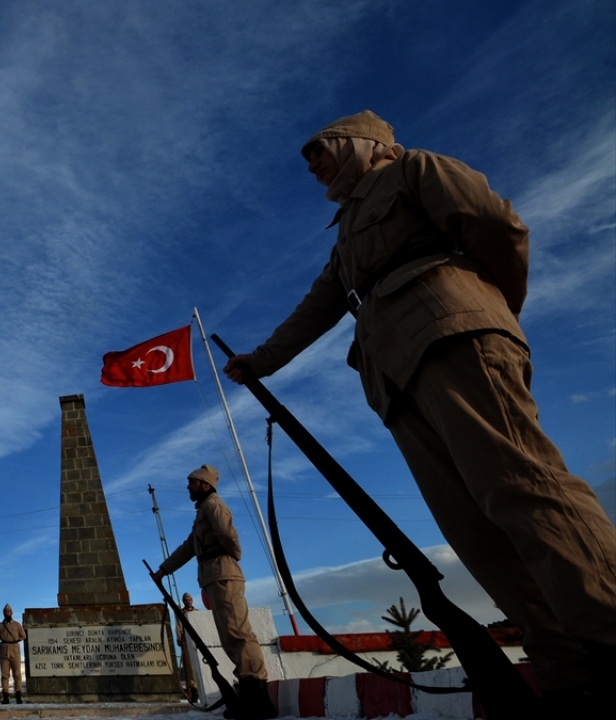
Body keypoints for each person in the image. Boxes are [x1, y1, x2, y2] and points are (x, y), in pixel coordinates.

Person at [222, 110, 616, 707]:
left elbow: (496, 226)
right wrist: (260, 360)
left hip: (452, 337)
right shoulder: (346, 231)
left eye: (320, 151)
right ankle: (569, 674)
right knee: (474, 531)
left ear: (359, 143)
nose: (313, 166)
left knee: (522, 488)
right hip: (394, 375)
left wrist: (479, 308)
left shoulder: (413, 169)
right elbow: (318, 306)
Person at [153, 465, 275, 720]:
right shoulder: (202, 512)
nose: (188, 487)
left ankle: (258, 697)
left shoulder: (213, 505)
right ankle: (247, 691)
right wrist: (164, 570)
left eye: (192, 482)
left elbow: (228, 533)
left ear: (205, 485)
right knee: (229, 635)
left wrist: (233, 555)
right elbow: (189, 547)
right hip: (212, 575)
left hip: (223, 572)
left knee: (238, 632)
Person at [0, 604, 27, 704]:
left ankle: (18, 696)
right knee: (5, 675)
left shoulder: (17, 625)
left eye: (8, 611)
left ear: (11, 613)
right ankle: (6, 697)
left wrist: (16, 640)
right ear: (3, 613)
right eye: (5, 612)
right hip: (3, 651)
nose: (7, 613)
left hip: (15, 650)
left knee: (17, 674)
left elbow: (23, 636)